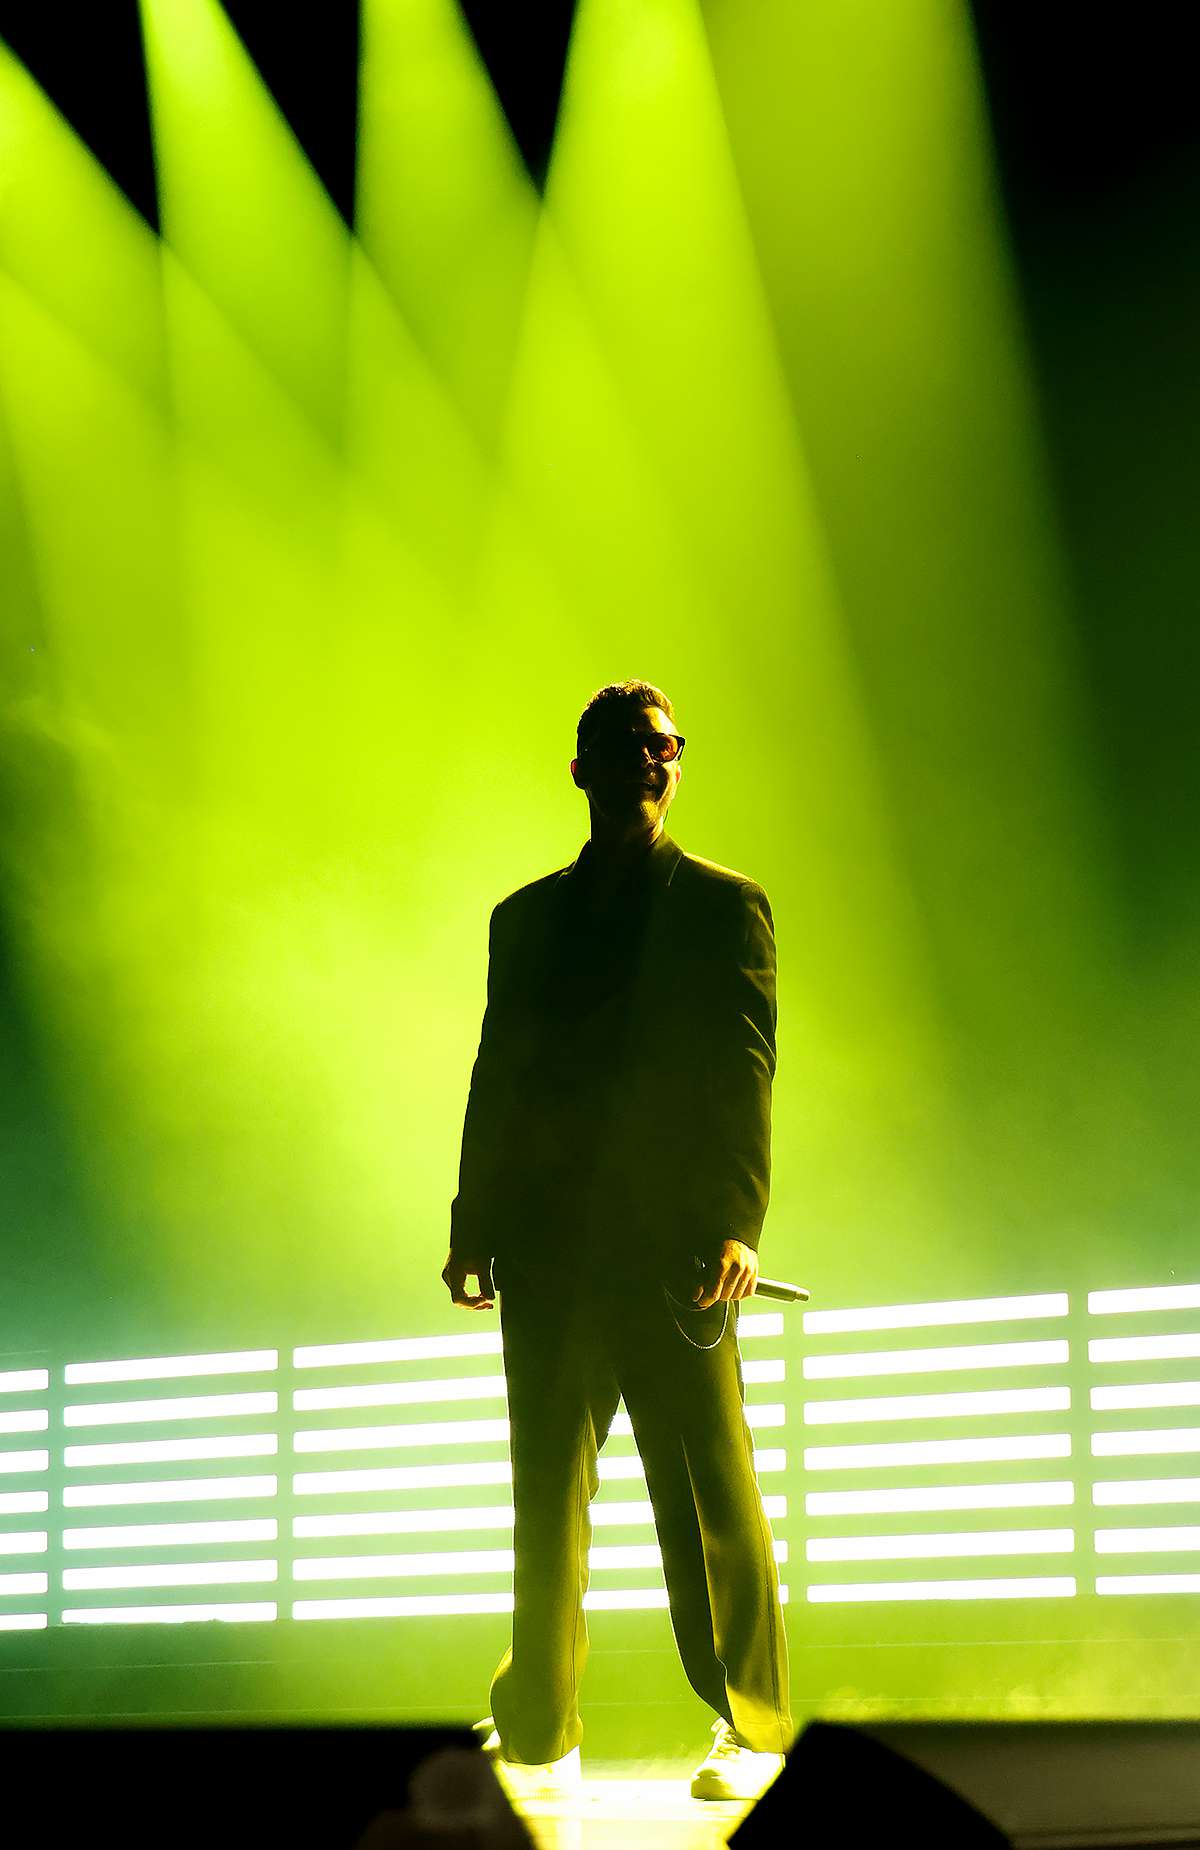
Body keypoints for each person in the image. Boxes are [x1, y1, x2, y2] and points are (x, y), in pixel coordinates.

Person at [442, 680, 792, 1802]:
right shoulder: (525, 919)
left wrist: (738, 1220)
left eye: (668, 745)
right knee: (545, 1498)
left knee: (709, 1499)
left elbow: (744, 1070)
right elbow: (500, 1076)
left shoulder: (724, 906)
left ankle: (756, 1725)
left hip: (678, 1256)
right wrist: (473, 1222)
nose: (657, 760)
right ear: (584, 765)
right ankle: (541, 1731)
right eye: (635, 745)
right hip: (550, 1252)